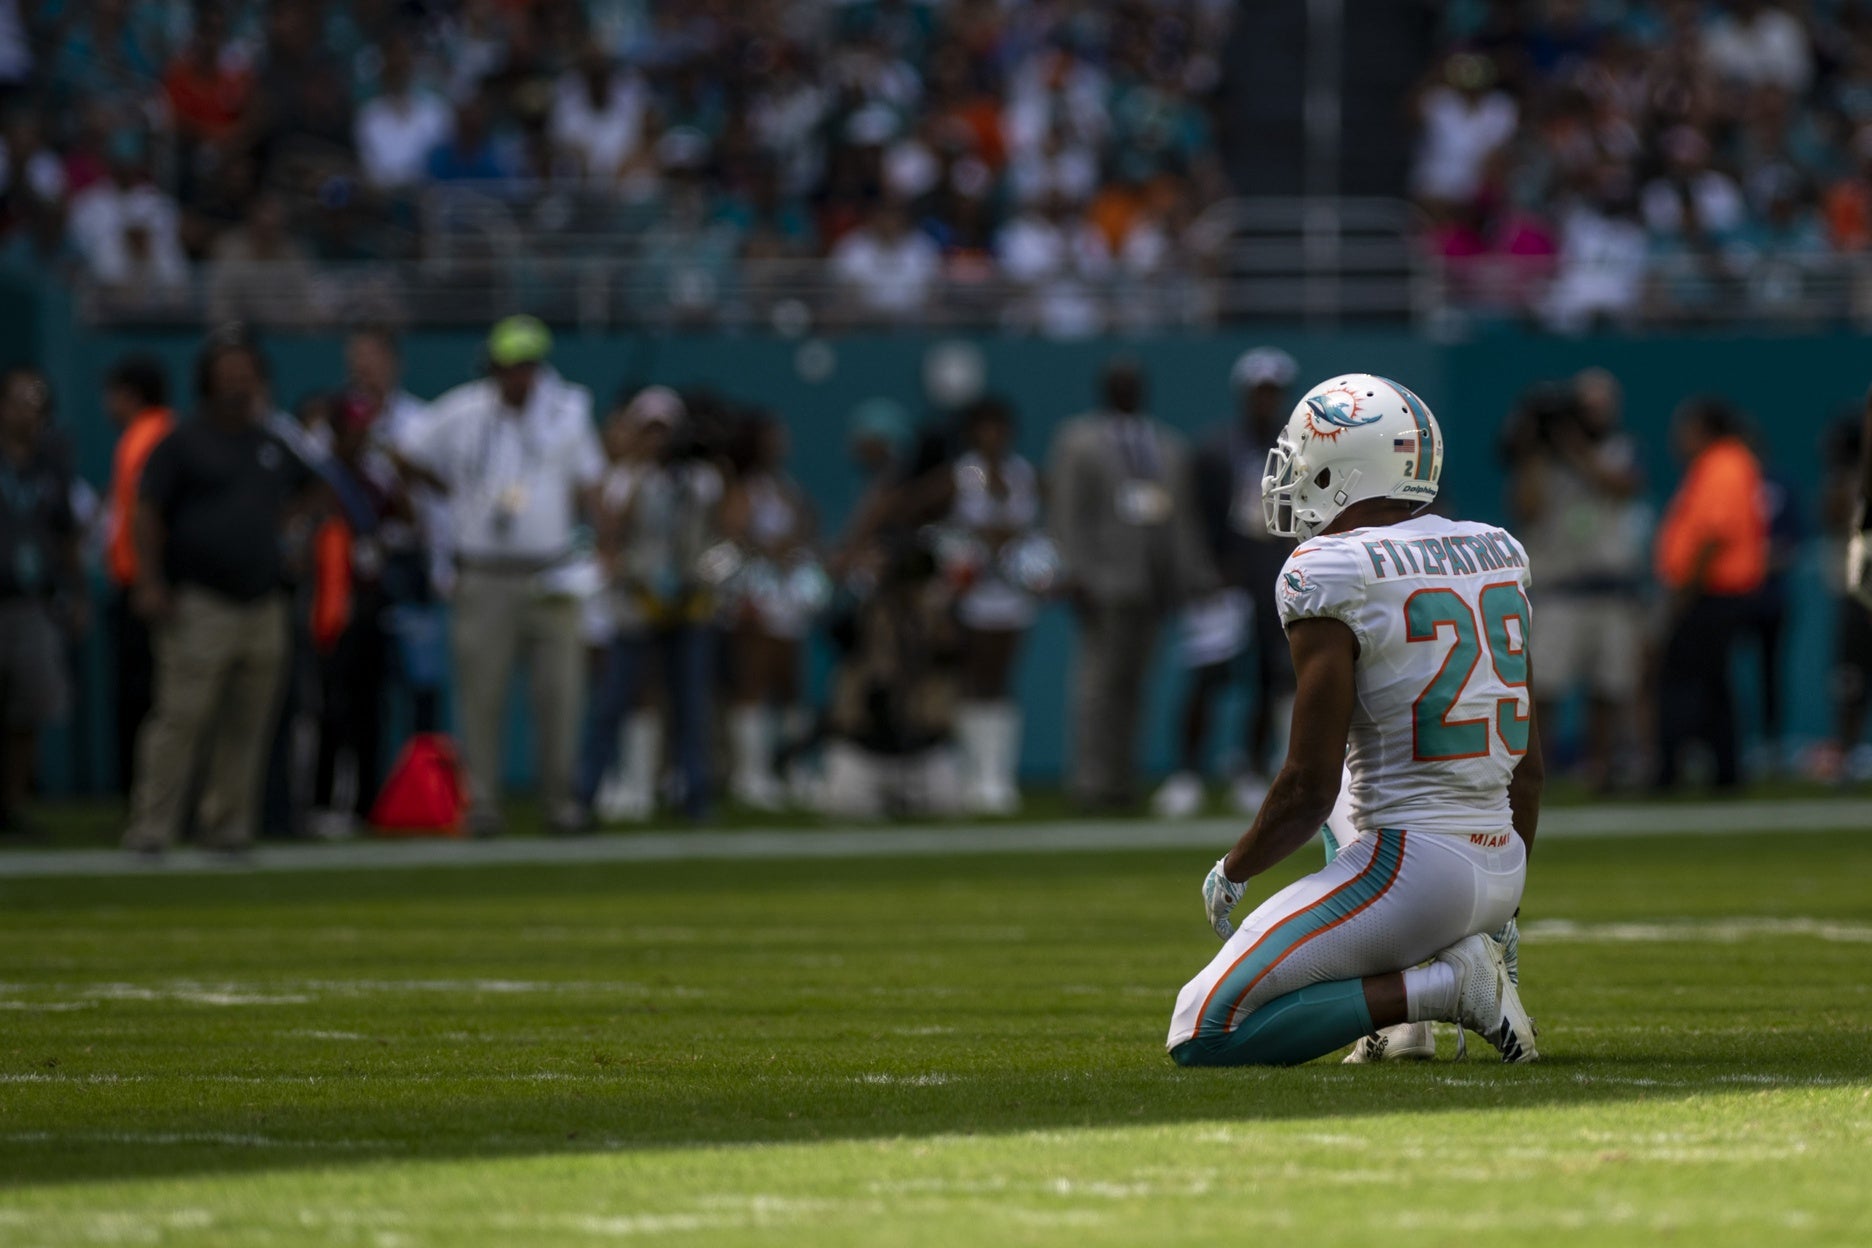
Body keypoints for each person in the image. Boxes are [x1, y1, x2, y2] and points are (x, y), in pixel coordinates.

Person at [1168, 374, 1541, 1067]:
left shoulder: (1331, 566)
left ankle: (1442, 987)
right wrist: (1505, 911)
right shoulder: (1495, 548)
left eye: (1305, 456)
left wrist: (1235, 867)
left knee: (1201, 1030)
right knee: (1358, 767)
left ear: (1346, 465)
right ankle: (1408, 1020)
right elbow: (1529, 769)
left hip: (1413, 871)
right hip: (1499, 862)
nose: (1292, 472)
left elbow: (1307, 787)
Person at [397, 316, 602, 835]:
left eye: (527, 365)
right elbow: (404, 451)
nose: (519, 376)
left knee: (561, 694)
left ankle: (561, 803)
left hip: (551, 571)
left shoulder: (568, 411)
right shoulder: (463, 410)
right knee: (480, 694)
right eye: (509, 366)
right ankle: (483, 805)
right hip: (484, 574)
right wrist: (447, 493)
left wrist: (594, 547)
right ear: (492, 367)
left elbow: (590, 482)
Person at [123, 334, 315, 855]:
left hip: (263, 602)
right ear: (207, 380)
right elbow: (147, 513)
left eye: (247, 372)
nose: (238, 382)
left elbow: (315, 490)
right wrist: (149, 581)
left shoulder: (271, 443)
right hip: (200, 601)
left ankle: (226, 826)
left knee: (247, 723)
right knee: (180, 717)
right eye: (228, 372)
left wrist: (296, 538)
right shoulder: (182, 443)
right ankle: (152, 825)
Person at [1048, 357, 1214, 811]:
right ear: (1105, 387)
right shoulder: (1079, 441)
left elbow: (1180, 517)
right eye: (1119, 382)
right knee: (1097, 687)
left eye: (1133, 383)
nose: (1126, 389)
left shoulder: (1167, 445)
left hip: (1154, 583)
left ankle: (1123, 779)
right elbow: (1067, 512)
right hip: (1104, 580)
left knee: (1136, 688)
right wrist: (1074, 572)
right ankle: (1091, 782)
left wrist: (1190, 576)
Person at [1156, 347, 1299, 819]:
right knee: (1207, 675)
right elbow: (1193, 517)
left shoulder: (1297, 451)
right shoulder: (1215, 449)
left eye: (1273, 392)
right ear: (1244, 394)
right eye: (1259, 392)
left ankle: (1252, 769)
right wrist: (1205, 571)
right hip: (1223, 578)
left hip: (1274, 577)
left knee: (1268, 677)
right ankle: (1187, 773)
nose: (1265, 400)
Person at [575, 388, 721, 824]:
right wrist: (635, 471)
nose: (659, 440)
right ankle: (585, 791)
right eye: (650, 431)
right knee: (614, 699)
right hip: (637, 600)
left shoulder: (700, 479)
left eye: (665, 431)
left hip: (689, 601)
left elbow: (717, 529)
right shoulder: (624, 479)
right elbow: (611, 533)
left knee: (690, 704)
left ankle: (694, 794)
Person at [1506, 369, 1647, 791]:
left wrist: (1572, 448)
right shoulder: (1540, 460)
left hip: (1610, 587)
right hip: (1560, 589)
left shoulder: (1619, 449)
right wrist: (1534, 447)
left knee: (1608, 688)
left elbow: (1622, 486)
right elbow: (1526, 508)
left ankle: (1600, 769)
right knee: (1545, 687)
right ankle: (1539, 769)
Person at [929, 396, 1043, 815]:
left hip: (1012, 589)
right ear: (973, 432)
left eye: (1000, 427)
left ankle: (998, 776)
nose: (994, 435)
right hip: (973, 590)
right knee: (974, 678)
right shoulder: (963, 474)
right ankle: (972, 774)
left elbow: (1037, 521)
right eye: (986, 427)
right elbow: (919, 508)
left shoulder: (1022, 474)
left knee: (1002, 679)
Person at [1653, 398, 1768, 791]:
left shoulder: (1725, 464)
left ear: (1704, 429)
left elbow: (1713, 534)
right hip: (1715, 591)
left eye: (1684, 429)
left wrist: (1685, 590)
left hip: (1712, 592)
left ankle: (1670, 769)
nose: (1677, 439)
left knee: (1681, 681)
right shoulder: (1722, 463)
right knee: (1714, 684)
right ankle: (1725, 771)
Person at [720, 409, 817, 811]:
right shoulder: (744, 488)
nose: (780, 445)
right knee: (753, 680)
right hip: (755, 589)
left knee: (789, 681)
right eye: (772, 437)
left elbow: (806, 524)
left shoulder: (785, 486)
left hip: (787, 592)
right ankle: (750, 773)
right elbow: (733, 532)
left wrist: (794, 543)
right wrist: (767, 547)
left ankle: (791, 768)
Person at [0, 370, 79, 833]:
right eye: (18, 402)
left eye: (36, 404)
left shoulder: (52, 464)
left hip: (33, 600)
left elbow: (67, 533)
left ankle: (12, 805)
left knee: (28, 708)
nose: (27, 412)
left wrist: (76, 592)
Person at [101, 354, 174, 798]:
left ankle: (143, 792)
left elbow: (149, 517)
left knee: (144, 697)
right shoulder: (148, 434)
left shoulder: (148, 438)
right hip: (140, 581)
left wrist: (147, 580)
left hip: (142, 586)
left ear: (130, 395)